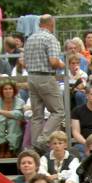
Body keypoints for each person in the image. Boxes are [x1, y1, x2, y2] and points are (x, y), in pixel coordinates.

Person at [24, 15, 65, 151]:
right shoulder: (50, 38)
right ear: (51, 24)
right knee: (58, 111)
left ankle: (35, 147)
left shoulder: (30, 39)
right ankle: (42, 140)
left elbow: (25, 63)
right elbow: (53, 61)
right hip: (45, 77)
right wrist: (61, 64)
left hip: (31, 77)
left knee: (37, 115)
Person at [0, 79, 24, 157]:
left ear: (14, 90)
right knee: (1, 124)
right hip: (0, 124)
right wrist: (10, 115)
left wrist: (0, 111)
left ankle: (10, 150)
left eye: (10, 89)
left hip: (16, 125)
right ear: (2, 91)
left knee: (13, 123)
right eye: (5, 89)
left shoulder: (19, 101)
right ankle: (1, 150)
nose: (8, 91)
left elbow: (19, 115)